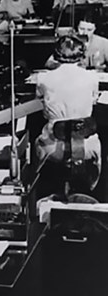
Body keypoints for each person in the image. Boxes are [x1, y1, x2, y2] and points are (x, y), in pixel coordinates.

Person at [36, 35, 101, 189]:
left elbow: (41, 102)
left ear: (56, 55)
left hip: (53, 146)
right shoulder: (92, 77)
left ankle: (41, 189)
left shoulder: (43, 79)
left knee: (35, 141)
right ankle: (92, 190)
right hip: (87, 145)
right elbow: (93, 100)